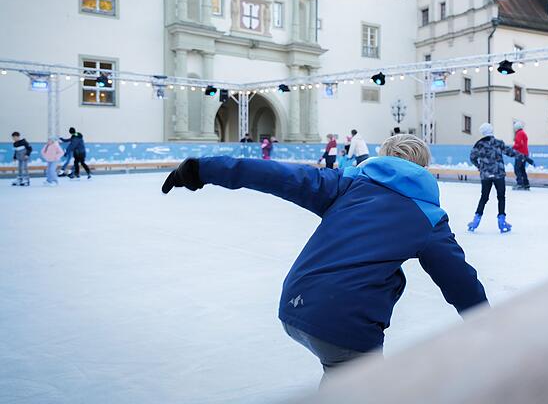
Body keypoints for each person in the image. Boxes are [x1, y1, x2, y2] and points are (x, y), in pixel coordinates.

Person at [161, 134, 487, 382]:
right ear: (424, 169)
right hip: (345, 322)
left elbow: (275, 175)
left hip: (295, 304)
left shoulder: (345, 186)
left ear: (381, 158)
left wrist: (201, 169)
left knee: (345, 384)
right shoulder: (428, 217)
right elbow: (460, 282)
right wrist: (491, 326)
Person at [467, 123, 520, 233]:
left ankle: (476, 221)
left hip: (485, 175)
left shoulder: (479, 144)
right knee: (501, 197)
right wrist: (521, 156)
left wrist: (479, 166)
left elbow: (472, 157)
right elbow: (509, 152)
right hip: (498, 174)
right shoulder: (498, 142)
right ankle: (502, 221)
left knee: (484, 197)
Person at [512, 121, 530, 191]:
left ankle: (520, 183)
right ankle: (526, 184)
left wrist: (513, 147)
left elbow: (519, 144)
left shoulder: (519, 133)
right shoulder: (523, 133)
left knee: (517, 169)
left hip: (520, 154)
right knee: (522, 169)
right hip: (524, 154)